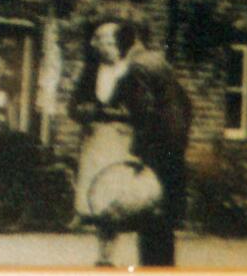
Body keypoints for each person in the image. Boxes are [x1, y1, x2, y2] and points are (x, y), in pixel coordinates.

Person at [71, 18, 192, 267]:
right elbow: (186, 105)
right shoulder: (158, 62)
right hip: (168, 148)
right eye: (101, 42)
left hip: (147, 148)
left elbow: (142, 111)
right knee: (157, 217)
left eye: (110, 42)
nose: (105, 47)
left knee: (147, 213)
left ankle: (152, 266)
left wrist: (139, 144)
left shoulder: (136, 67)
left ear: (121, 44)